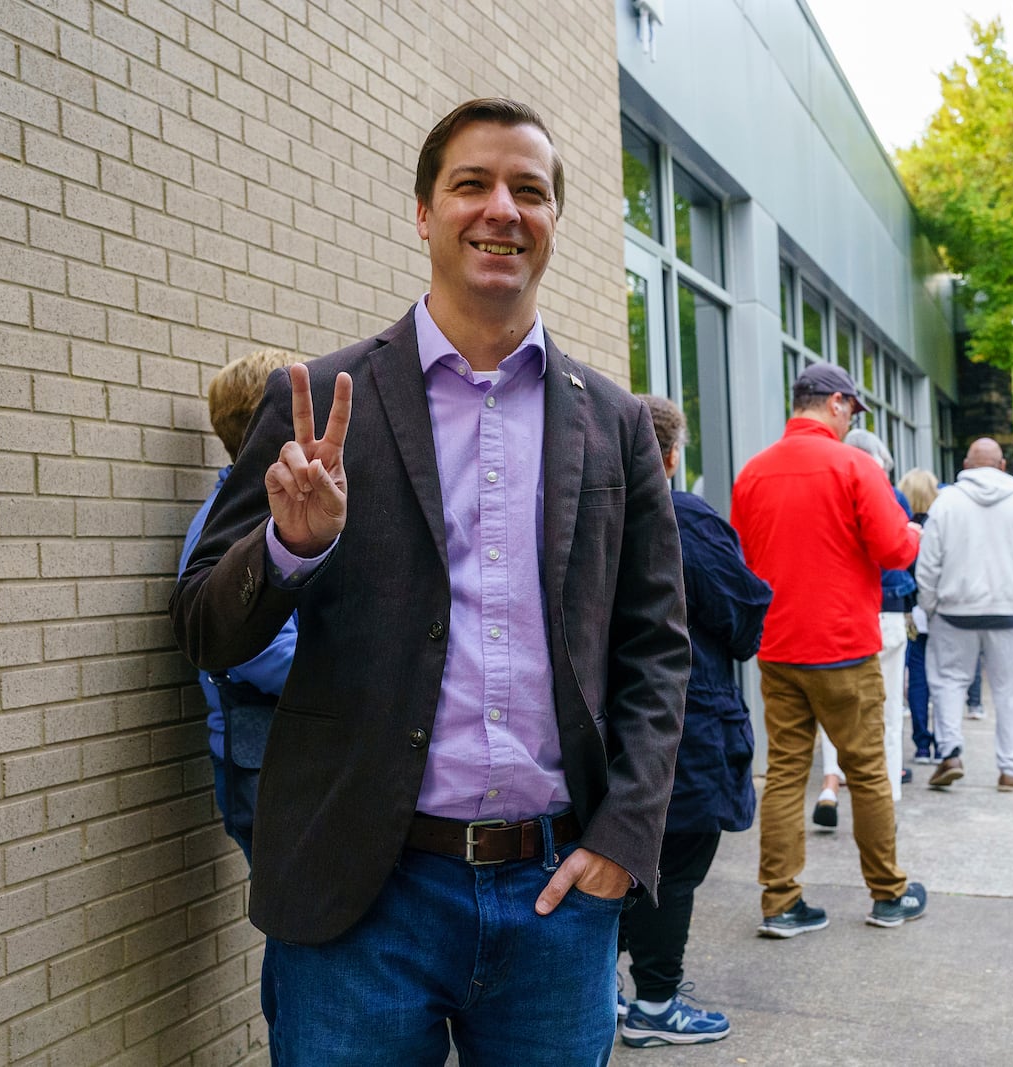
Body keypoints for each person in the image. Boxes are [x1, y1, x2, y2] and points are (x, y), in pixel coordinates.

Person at [171, 99, 690, 1066]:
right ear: (422, 213)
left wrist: (626, 835)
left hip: (558, 898)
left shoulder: (612, 425)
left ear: (553, 221)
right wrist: (288, 550)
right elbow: (204, 626)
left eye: (529, 190)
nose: (503, 208)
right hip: (362, 902)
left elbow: (656, 647)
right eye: (472, 184)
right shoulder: (322, 402)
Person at [731, 362, 928, 936]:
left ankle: (780, 902)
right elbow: (894, 551)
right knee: (866, 772)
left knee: (787, 774)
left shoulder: (754, 473)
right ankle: (888, 893)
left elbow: (742, 558)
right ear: (837, 403)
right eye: (851, 412)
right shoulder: (853, 466)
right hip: (843, 646)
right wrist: (913, 531)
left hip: (779, 646)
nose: (849, 423)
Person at [615, 396, 770, 1047]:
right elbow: (741, 617)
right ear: (672, 456)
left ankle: (610, 987)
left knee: (626, 858)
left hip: (609, 720)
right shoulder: (684, 519)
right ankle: (654, 1000)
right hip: (683, 717)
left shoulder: (586, 513)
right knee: (672, 860)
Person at [177, 348, 301, 864]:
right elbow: (256, 648)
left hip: (287, 753)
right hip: (267, 762)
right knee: (301, 932)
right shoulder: (223, 531)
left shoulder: (283, 513)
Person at [916, 437, 1013, 792]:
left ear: (965, 465)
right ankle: (1009, 770)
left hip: (954, 612)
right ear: (1003, 466)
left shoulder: (946, 503)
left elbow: (928, 564)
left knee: (948, 681)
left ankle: (949, 753)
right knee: (1012, 693)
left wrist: (930, 607)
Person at [813, 427, 913, 829]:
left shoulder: (827, 493)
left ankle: (830, 785)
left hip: (839, 614)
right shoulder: (890, 494)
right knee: (888, 712)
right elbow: (899, 555)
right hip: (887, 612)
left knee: (834, 710)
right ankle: (886, 796)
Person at [897, 468, 939, 763]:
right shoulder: (941, 526)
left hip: (909, 614)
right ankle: (946, 743)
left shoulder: (900, 527)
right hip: (939, 610)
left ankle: (922, 743)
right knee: (945, 679)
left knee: (917, 678)